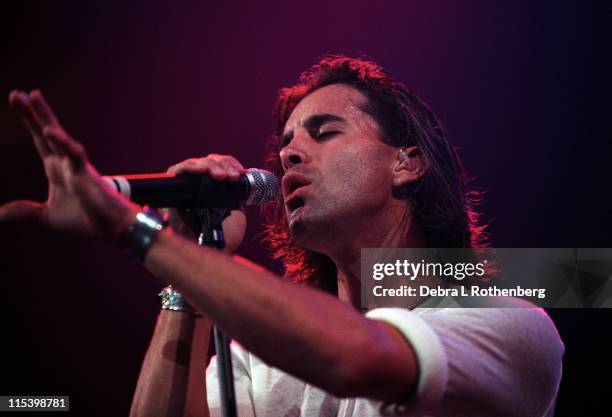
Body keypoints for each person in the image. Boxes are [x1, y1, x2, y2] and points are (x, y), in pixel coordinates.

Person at [1, 56, 564, 417]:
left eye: (325, 133)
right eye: (287, 143)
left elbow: (356, 359)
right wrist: (193, 272)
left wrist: (133, 229)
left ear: (407, 164)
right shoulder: (257, 361)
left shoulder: (508, 327)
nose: (289, 154)